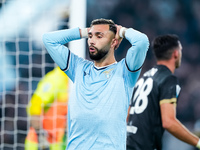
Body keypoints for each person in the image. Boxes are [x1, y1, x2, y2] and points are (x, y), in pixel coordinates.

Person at [42, 18, 149, 150]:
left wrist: (122, 31)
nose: (92, 40)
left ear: (113, 42)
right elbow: (48, 39)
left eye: (99, 36)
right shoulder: (78, 68)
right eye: (90, 36)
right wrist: (84, 32)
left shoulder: (125, 71)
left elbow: (142, 42)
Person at [126, 34, 200, 150]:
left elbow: (128, 115)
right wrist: (198, 142)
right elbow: (168, 122)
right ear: (176, 53)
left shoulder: (144, 78)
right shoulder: (168, 79)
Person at [25, 67, 69, 150]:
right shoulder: (56, 78)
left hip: (59, 141)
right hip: (40, 142)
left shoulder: (77, 80)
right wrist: (40, 136)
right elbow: (36, 103)